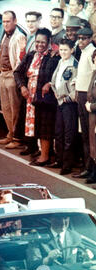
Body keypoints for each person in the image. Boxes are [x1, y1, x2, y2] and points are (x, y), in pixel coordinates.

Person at [14, 28, 60, 167]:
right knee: (35, 125)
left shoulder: (53, 57)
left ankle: (45, 156)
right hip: (30, 96)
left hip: (45, 97)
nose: (40, 45)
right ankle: (40, 152)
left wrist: (50, 84)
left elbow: (57, 75)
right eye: (37, 41)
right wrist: (22, 86)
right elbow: (17, 72)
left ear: (49, 42)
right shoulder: (31, 55)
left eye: (43, 42)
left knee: (45, 126)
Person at [0, 10, 27, 149]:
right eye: (3, 21)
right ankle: (10, 133)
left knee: (15, 108)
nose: (6, 24)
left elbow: (21, 59)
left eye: (8, 21)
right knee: (5, 108)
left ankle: (16, 137)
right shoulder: (5, 35)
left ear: (15, 21)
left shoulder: (19, 36)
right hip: (2, 74)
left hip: (12, 74)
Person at [50, 38, 78, 175]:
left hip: (69, 103)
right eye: (61, 49)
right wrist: (55, 92)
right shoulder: (60, 62)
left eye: (65, 50)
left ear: (72, 50)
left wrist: (69, 97)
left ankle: (67, 164)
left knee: (69, 134)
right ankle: (59, 159)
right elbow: (55, 80)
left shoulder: (74, 65)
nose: (62, 52)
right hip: (59, 101)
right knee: (58, 132)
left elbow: (76, 85)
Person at [72, 27, 96, 180]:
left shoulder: (92, 51)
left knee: (90, 133)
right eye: (79, 38)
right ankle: (87, 166)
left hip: (88, 96)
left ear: (90, 39)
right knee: (85, 134)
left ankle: (91, 167)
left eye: (84, 38)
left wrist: (88, 96)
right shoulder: (83, 51)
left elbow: (93, 74)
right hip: (80, 93)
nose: (80, 41)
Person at [85, 49, 96, 185]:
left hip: (93, 111)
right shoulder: (94, 73)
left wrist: (91, 106)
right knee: (93, 144)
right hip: (93, 116)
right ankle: (94, 172)